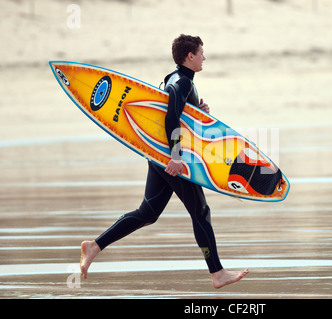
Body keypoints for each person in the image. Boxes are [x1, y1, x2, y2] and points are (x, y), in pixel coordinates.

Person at [80, 34, 248, 289]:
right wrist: (176, 158)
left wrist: (197, 113)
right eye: (201, 53)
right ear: (189, 56)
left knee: (148, 213)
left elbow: (174, 116)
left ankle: (94, 246)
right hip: (171, 158)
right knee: (201, 212)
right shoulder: (182, 83)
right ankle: (217, 273)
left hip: (159, 155)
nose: (204, 57)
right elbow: (170, 120)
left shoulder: (175, 78)